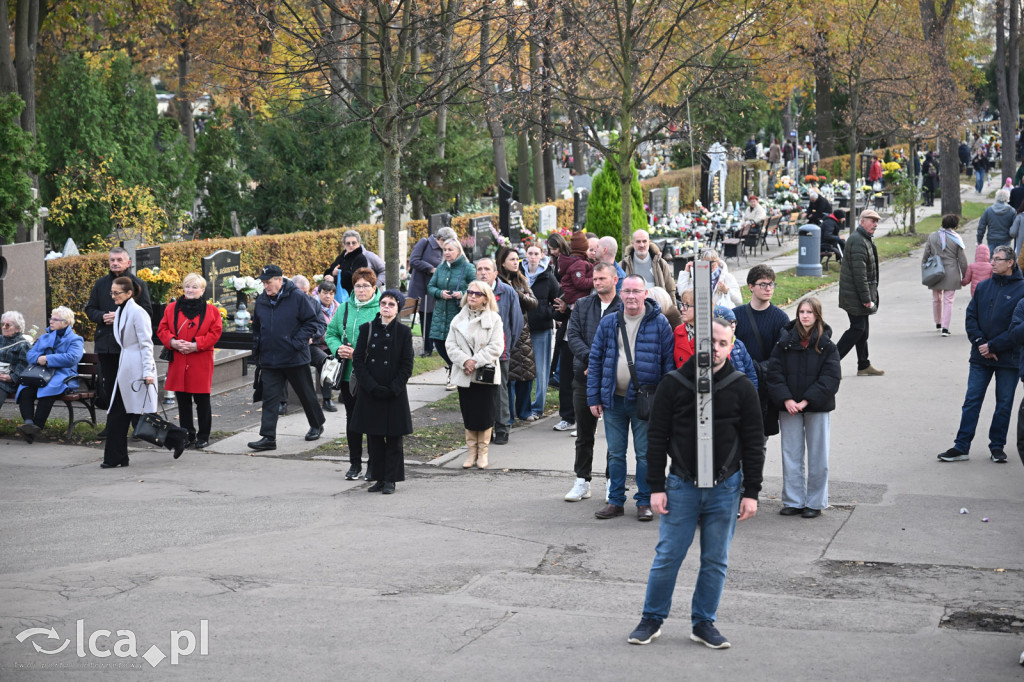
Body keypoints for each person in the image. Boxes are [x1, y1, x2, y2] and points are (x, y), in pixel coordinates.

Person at [627, 319, 763, 649]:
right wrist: (655, 487)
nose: (715, 349)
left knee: (715, 559)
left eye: (722, 343)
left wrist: (751, 492)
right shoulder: (673, 384)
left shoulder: (742, 386)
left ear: (731, 347)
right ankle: (651, 619)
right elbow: (656, 438)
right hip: (681, 485)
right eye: (710, 341)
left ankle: (704, 623)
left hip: (725, 488)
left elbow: (753, 442)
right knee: (668, 556)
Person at [587, 274, 674, 521]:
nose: (632, 296)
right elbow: (595, 360)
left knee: (645, 454)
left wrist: (665, 402)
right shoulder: (609, 322)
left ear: (645, 294)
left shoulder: (660, 323)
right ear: (620, 293)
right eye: (627, 291)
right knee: (615, 453)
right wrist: (594, 397)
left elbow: (668, 365)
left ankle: (644, 501)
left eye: (637, 291)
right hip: (613, 400)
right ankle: (615, 501)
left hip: (645, 402)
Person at [939, 245, 1024, 464]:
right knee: (971, 401)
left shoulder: (1022, 289)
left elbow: (1018, 328)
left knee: (1004, 404)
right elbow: (971, 317)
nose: (992, 263)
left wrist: (993, 346)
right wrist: (980, 343)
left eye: (997, 259)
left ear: (1010, 263)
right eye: (992, 258)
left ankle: (997, 447)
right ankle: (961, 446)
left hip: (1009, 359)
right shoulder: (984, 286)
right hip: (980, 356)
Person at [766, 297, 842, 518]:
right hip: (788, 406)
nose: (805, 316)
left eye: (809, 312)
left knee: (818, 455)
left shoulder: (827, 345)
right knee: (791, 453)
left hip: (817, 407)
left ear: (817, 315)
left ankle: (815, 502)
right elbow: (774, 373)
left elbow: (830, 378)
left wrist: (806, 400)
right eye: (801, 312)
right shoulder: (784, 343)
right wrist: (787, 400)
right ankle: (793, 500)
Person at [104, 279, 187, 466]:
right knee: (123, 414)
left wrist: (148, 371)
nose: (113, 296)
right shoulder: (121, 311)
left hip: (137, 369)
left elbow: (146, 344)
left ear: (129, 293)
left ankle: (176, 436)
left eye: (117, 293)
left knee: (136, 414)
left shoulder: (138, 312)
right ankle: (117, 457)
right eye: (112, 292)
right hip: (126, 368)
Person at [248, 264, 326, 452]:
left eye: (268, 282)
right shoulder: (262, 300)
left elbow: (312, 322)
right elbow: (257, 326)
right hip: (270, 358)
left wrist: (296, 342)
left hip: (294, 356)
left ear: (280, 280)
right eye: (263, 283)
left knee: (305, 393)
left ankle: (317, 424)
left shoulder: (297, 297)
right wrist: (258, 349)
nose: (266, 286)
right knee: (270, 398)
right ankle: (268, 437)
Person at [563, 263, 621, 501]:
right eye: (595, 279)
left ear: (615, 280)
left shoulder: (623, 307)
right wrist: (592, 360)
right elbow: (573, 335)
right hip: (583, 376)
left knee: (614, 437)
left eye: (602, 279)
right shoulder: (583, 305)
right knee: (584, 433)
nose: (597, 283)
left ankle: (611, 482)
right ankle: (582, 480)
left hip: (614, 380)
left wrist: (601, 365)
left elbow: (623, 342)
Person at [350, 290, 414, 494]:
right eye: (383, 303)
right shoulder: (366, 328)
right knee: (374, 437)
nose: (386, 307)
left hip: (394, 393)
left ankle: (391, 480)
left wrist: (394, 388)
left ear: (398, 308)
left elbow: (407, 364)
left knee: (394, 438)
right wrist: (371, 386)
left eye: (391, 304)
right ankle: (378, 477)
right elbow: (358, 360)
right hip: (371, 391)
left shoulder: (403, 333)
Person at [84, 247, 152, 423]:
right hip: (106, 344)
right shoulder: (101, 284)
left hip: (128, 346)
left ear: (128, 263)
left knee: (130, 387)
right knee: (109, 387)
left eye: (119, 260)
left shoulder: (137, 284)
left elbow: (146, 312)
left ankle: (136, 425)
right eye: (112, 260)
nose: (115, 263)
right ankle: (113, 425)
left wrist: (121, 316)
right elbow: (90, 309)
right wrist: (102, 316)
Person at [156, 273, 224, 450]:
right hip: (179, 358)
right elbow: (162, 329)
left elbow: (215, 333)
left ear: (202, 290)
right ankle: (187, 434)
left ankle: (203, 436)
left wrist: (196, 345)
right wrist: (172, 342)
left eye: (194, 287)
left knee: (202, 400)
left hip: (200, 360)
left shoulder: (212, 311)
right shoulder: (171, 308)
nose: (190, 290)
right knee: (183, 400)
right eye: (187, 286)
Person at [325, 267, 381, 479]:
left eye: (366, 286)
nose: (361, 290)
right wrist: (337, 348)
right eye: (358, 286)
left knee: (372, 422)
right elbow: (331, 333)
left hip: (372, 376)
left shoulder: (380, 309)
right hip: (349, 376)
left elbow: (383, 343)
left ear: (374, 288)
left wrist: (356, 353)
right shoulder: (344, 308)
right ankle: (355, 464)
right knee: (353, 420)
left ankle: (373, 465)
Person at [446, 280, 505, 469]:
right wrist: (465, 361)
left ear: (486, 299)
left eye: (477, 294)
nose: (472, 296)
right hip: (465, 374)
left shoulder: (494, 319)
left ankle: (483, 453)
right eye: (470, 292)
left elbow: (496, 346)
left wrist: (474, 361)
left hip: (485, 375)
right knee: (469, 414)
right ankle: (471, 452)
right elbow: (450, 345)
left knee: (485, 415)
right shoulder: (458, 319)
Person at [15, 307, 83, 443]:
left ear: (66, 322)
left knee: (48, 390)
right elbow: (30, 355)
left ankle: (35, 429)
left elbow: (73, 358)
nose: (51, 321)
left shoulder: (75, 339)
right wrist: (38, 358)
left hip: (63, 374)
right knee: (25, 388)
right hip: (40, 374)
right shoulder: (44, 337)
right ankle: (29, 424)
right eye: (51, 318)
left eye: (55, 319)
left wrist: (47, 359)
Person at [476, 257, 524, 445]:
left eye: (487, 269)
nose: (483, 273)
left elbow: (517, 322)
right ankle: (484, 428)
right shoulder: (472, 292)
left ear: (495, 273)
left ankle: (503, 427)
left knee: (499, 389)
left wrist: (507, 346)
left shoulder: (507, 292)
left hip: (499, 352)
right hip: (477, 352)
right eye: (480, 269)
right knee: (480, 390)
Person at [836, 209, 884, 376]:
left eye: (876, 221)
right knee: (857, 329)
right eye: (872, 221)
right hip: (855, 295)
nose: (875, 224)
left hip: (858, 294)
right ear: (862, 221)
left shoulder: (864, 238)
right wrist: (866, 298)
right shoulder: (858, 241)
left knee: (863, 331)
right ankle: (829, 362)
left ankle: (863, 365)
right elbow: (859, 274)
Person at [427, 239, 476, 390]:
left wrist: (461, 294)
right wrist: (440, 293)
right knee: (438, 342)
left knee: (455, 343)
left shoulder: (468, 268)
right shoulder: (441, 268)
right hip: (440, 312)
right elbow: (430, 287)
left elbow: (476, 287)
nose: (447, 253)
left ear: (458, 251)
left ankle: (454, 373)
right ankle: (452, 366)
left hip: (458, 312)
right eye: (445, 250)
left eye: (450, 250)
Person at [496, 246, 538, 423]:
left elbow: (533, 303)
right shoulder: (497, 281)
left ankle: (524, 411)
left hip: (523, 333)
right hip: (504, 332)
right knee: (508, 377)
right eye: (512, 259)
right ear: (502, 263)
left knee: (526, 374)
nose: (516, 263)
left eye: (517, 259)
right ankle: (508, 416)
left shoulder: (521, 280)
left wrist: (518, 294)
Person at [522, 244, 561, 420]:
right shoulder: (519, 274)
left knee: (541, 370)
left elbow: (558, 300)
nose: (532, 256)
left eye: (536, 253)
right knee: (523, 370)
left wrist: (546, 313)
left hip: (541, 328)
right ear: (526, 254)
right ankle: (523, 407)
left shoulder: (548, 276)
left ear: (541, 256)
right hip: (522, 329)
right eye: (530, 253)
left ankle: (538, 407)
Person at [408, 227, 458, 357]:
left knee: (436, 317)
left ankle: (437, 345)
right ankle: (427, 348)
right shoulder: (424, 243)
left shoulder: (444, 250)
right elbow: (413, 261)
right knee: (426, 317)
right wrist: (431, 269)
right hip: (422, 288)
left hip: (437, 288)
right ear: (440, 239)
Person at [922, 215, 968, 337]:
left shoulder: (932, 236)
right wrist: (965, 275)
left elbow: (926, 254)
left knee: (936, 298)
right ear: (955, 225)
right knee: (949, 301)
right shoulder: (956, 238)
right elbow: (962, 259)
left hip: (935, 271)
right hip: (951, 272)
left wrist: (924, 267)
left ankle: (938, 322)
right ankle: (945, 328)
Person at [676, 249, 741, 309]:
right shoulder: (698, 277)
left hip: (722, 316)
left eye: (712, 262)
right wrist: (686, 271)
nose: (710, 264)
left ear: (717, 262)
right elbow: (682, 293)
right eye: (706, 262)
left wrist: (726, 290)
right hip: (702, 314)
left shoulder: (727, 277)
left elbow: (739, 301)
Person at [311, 280, 339, 411]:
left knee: (348, 356)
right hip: (315, 344)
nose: (328, 296)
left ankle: (345, 394)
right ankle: (327, 399)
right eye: (325, 293)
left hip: (332, 344)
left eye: (331, 293)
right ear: (319, 293)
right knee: (327, 361)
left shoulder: (338, 308)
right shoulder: (311, 306)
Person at [324, 230, 370, 294]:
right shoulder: (341, 257)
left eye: (354, 243)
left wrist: (335, 279)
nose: (351, 245)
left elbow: (355, 278)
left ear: (359, 243)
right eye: (348, 243)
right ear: (344, 245)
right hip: (337, 293)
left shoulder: (361, 258)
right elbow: (330, 270)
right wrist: (332, 273)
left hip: (352, 295)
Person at [0, 311, 30, 406]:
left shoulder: (23, 345)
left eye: (7, 325)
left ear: (18, 329)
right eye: (2, 324)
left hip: (5, 382)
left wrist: (11, 378)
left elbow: (24, 365)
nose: (3, 327)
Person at [559, 232, 595, 306]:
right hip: (577, 301)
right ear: (584, 248)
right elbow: (580, 283)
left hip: (576, 299)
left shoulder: (576, 260)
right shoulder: (578, 264)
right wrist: (595, 280)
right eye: (589, 249)